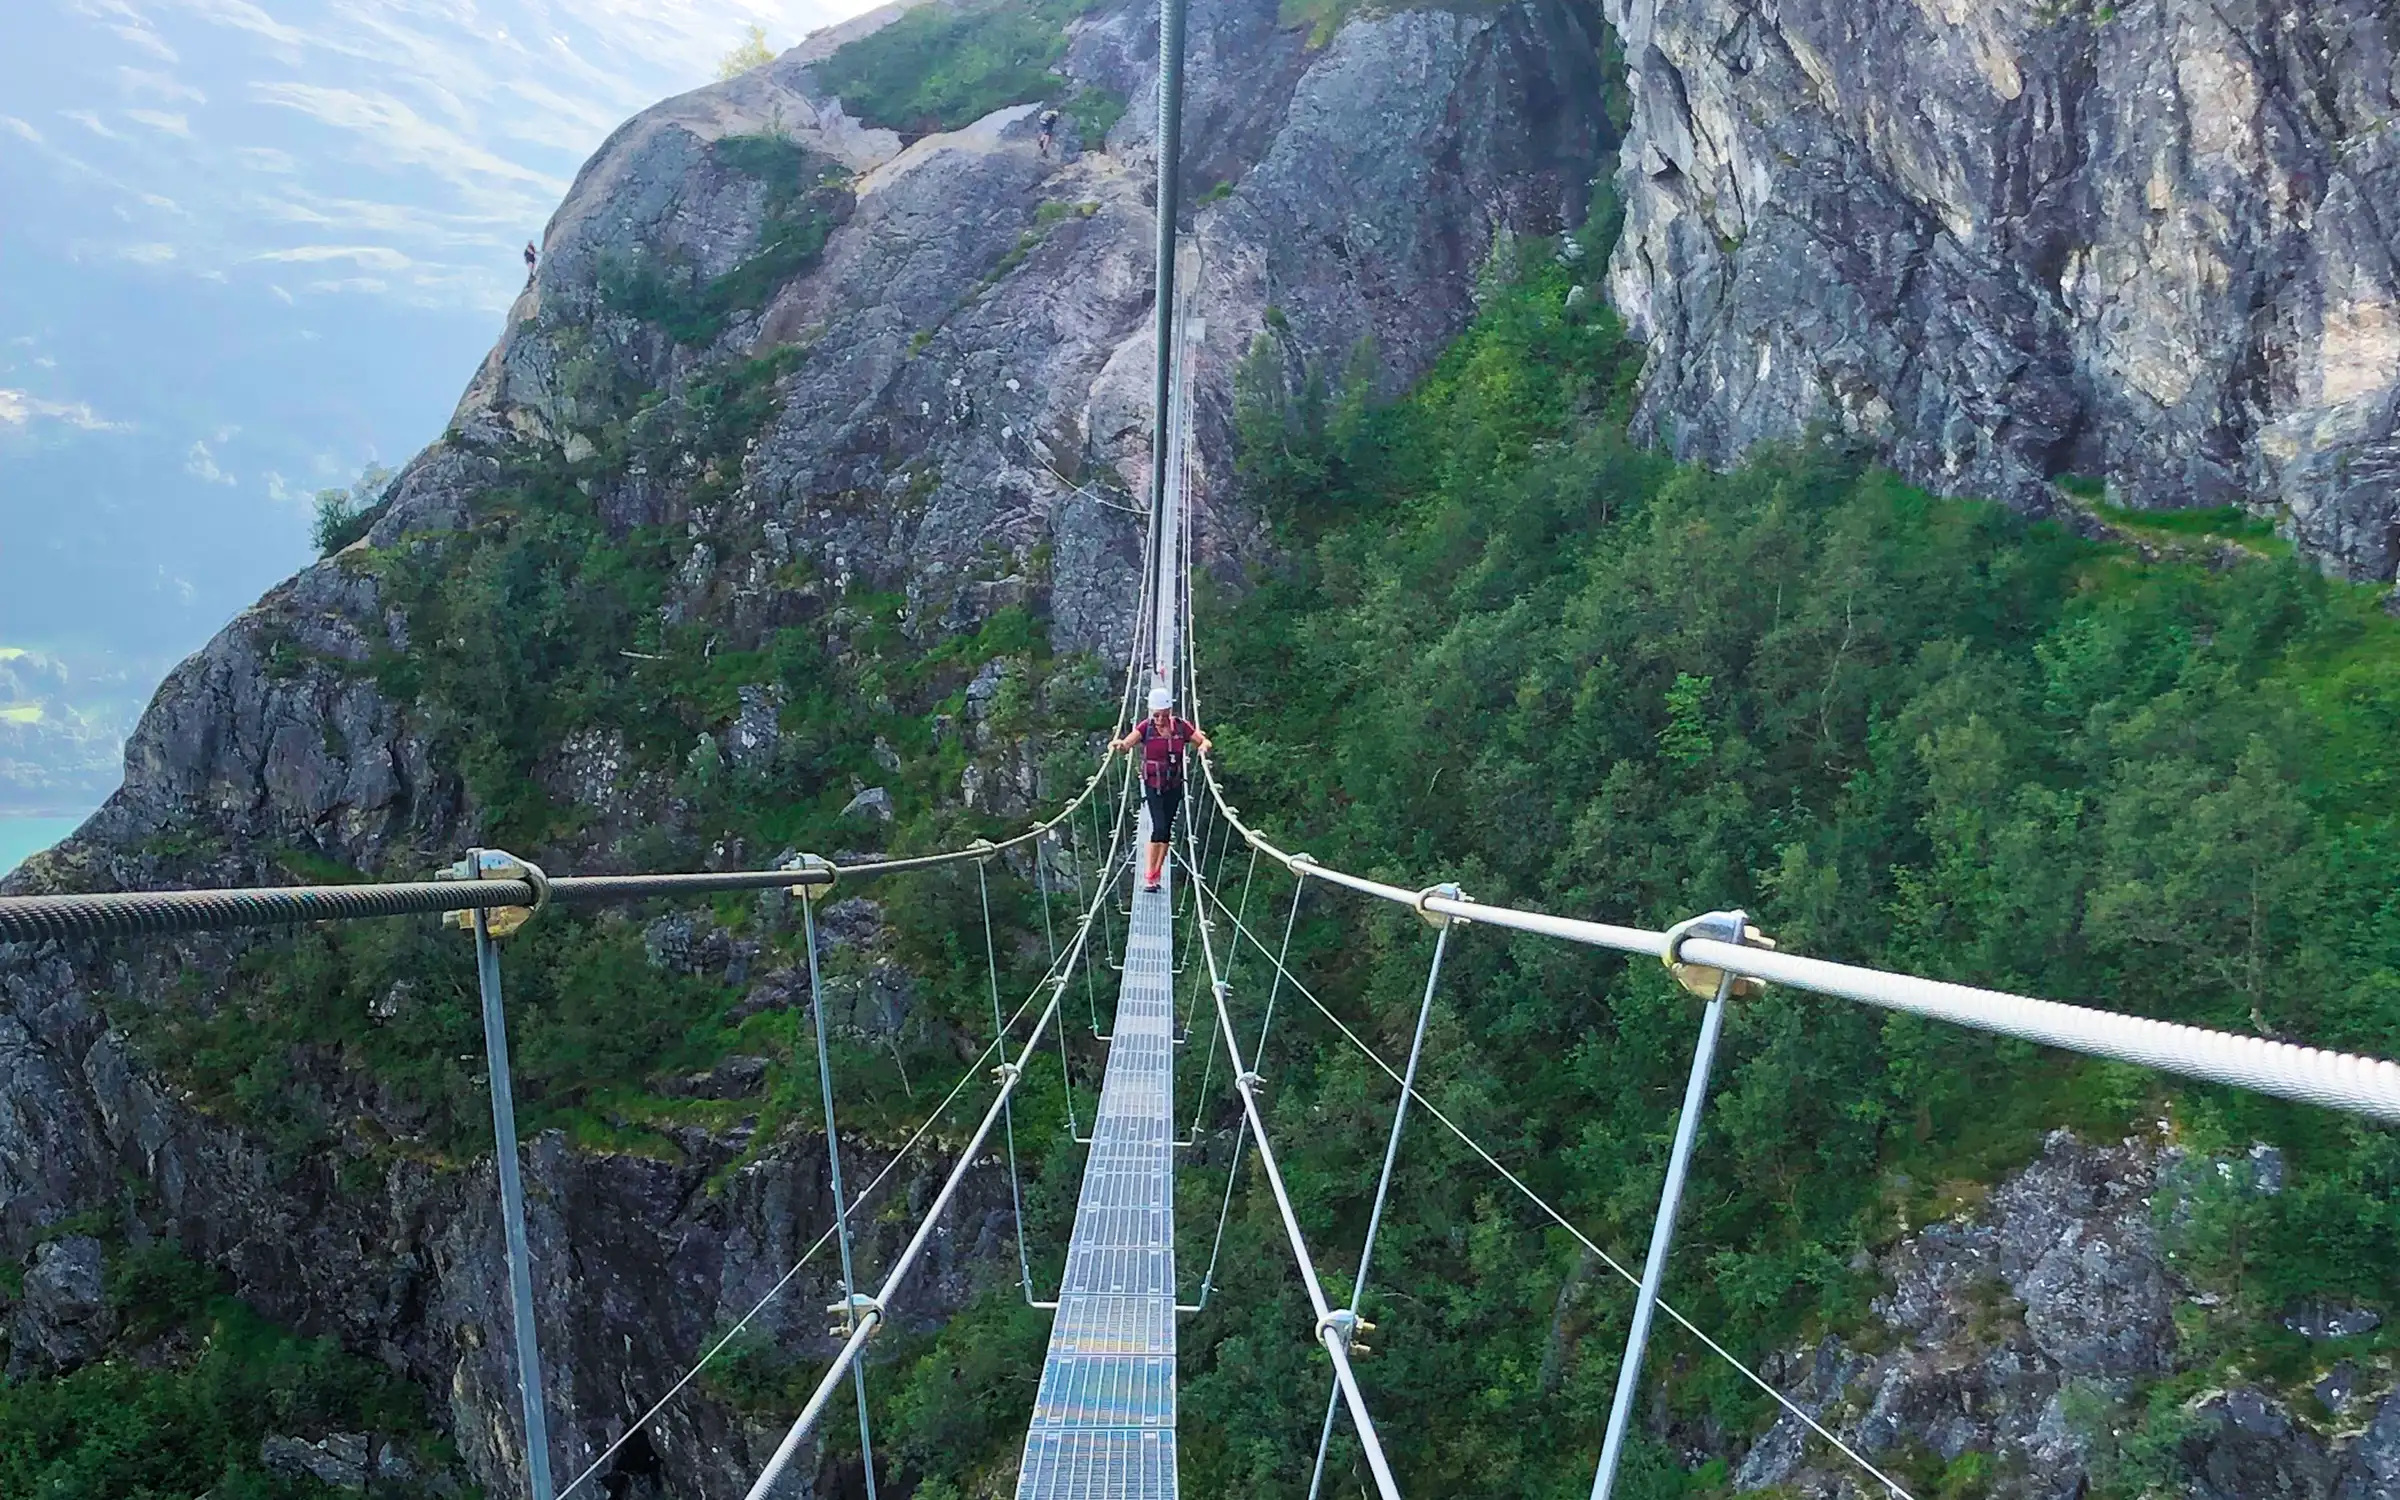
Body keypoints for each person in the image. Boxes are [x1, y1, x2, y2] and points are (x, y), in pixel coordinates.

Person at [1112, 686, 1210, 893]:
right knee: (1159, 826)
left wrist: (1203, 746)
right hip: (1153, 785)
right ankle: (1149, 876)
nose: (1158, 719)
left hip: (1174, 785)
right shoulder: (1145, 727)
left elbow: (1202, 740)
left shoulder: (1181, 727)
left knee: (1166, 830)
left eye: (1162, 715)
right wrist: (1118, 745)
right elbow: (1126, 745)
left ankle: (1156, 874)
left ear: (1170, 711)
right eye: (1155, 714)